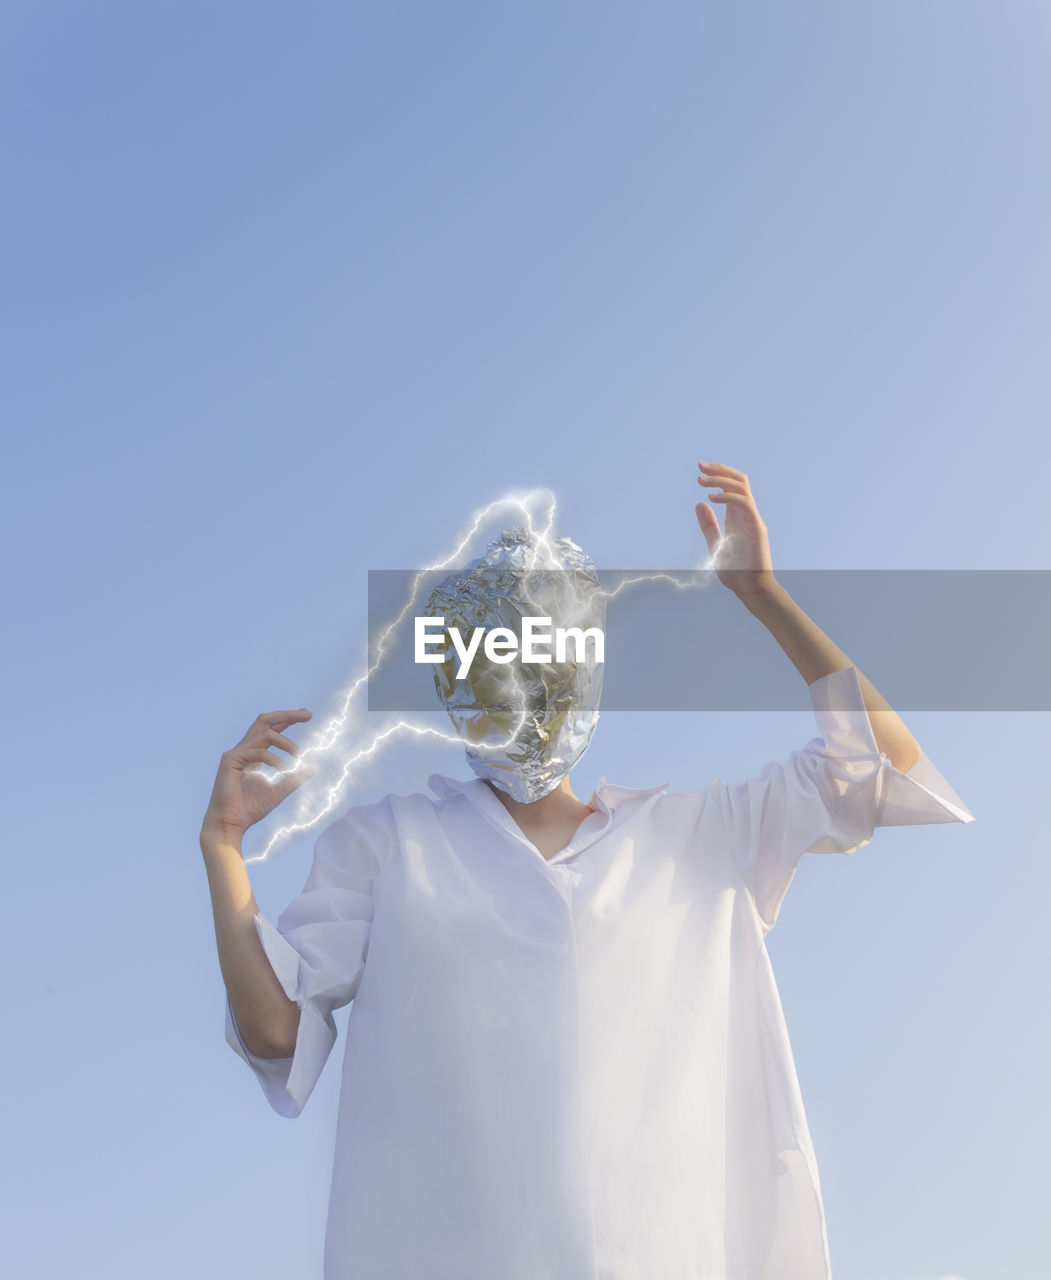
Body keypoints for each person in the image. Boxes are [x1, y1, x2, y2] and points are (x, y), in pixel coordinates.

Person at [200, 461, 974, 1279]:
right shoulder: (388, 844)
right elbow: (276, 1031)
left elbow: (880, 770)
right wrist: (223, 848)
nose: (521, 686)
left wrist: (762, 596)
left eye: (542, 657)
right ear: (453, 686)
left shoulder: (698, 834)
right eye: (489, 664)